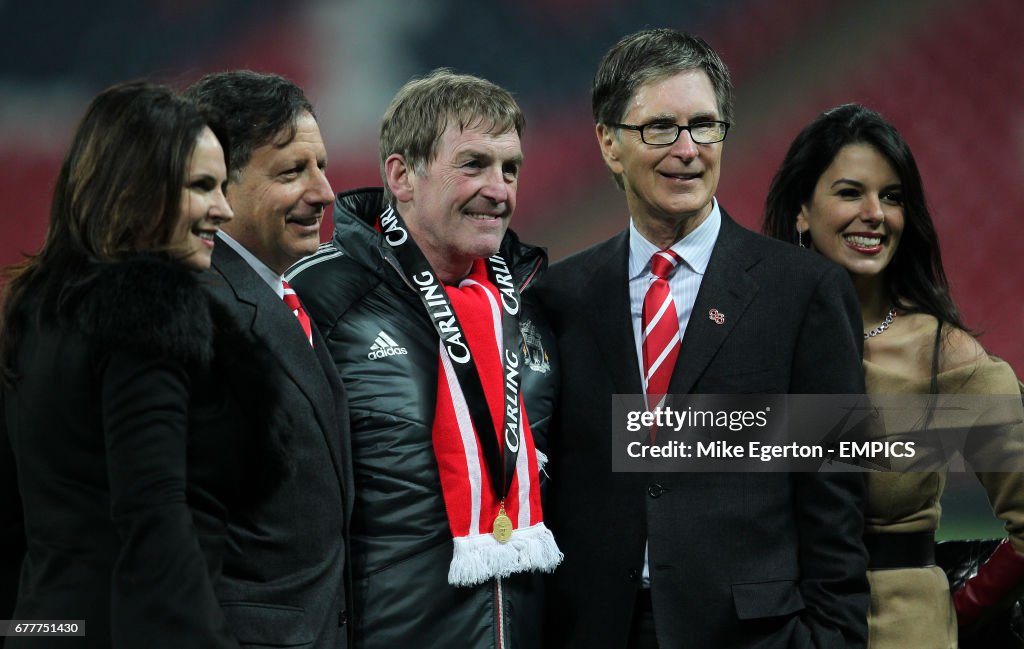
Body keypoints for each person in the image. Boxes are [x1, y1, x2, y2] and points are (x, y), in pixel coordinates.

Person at [536, 29, 871, 648]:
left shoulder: (803, 292)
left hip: (756, 635)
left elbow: (835, 494)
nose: (687, 149)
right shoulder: (558, 297)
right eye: (660, 127)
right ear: (609, 143)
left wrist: (831, 638)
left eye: (704, 125)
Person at [0, 80, 287, 647]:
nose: (223, 210)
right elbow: (155, 517)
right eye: (201, 186)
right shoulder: (146, 318)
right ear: (138, 192)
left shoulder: (38, 312)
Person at [286, 68, 561, 648]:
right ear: (401, 175)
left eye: (510, 168)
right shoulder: (318, 300)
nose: (500, 189)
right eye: (474, 164)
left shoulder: (536, 305)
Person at [763, 102, 1024, 649]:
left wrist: (961, 606)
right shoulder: (752, 341)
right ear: (802, 213)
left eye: (893, 197)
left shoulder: (944, 357)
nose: (876, 213)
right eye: (850, 192)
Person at [183, 71, 354, 648]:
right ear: (218, 186)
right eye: (291, 172)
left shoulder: (287, 299)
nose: (324, 193)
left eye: (322, 167)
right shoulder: (201, 313)